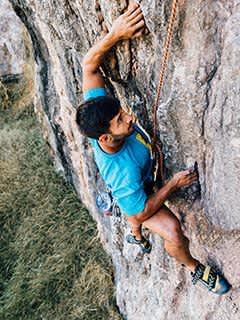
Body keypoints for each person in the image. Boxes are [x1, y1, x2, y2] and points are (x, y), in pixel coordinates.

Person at [76, 2, 231, 295]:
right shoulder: (124, 172)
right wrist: (173, 183)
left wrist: (115, 33)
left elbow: (89, 64)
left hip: (135, 186)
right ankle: (194, 269)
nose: (129, 117)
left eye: (122, 111)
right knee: (167, 229)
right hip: (138, 195)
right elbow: (144, 208)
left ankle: (135, 235)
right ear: (106, 139)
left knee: (134, 216)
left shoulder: (96, 112)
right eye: (121, 120)